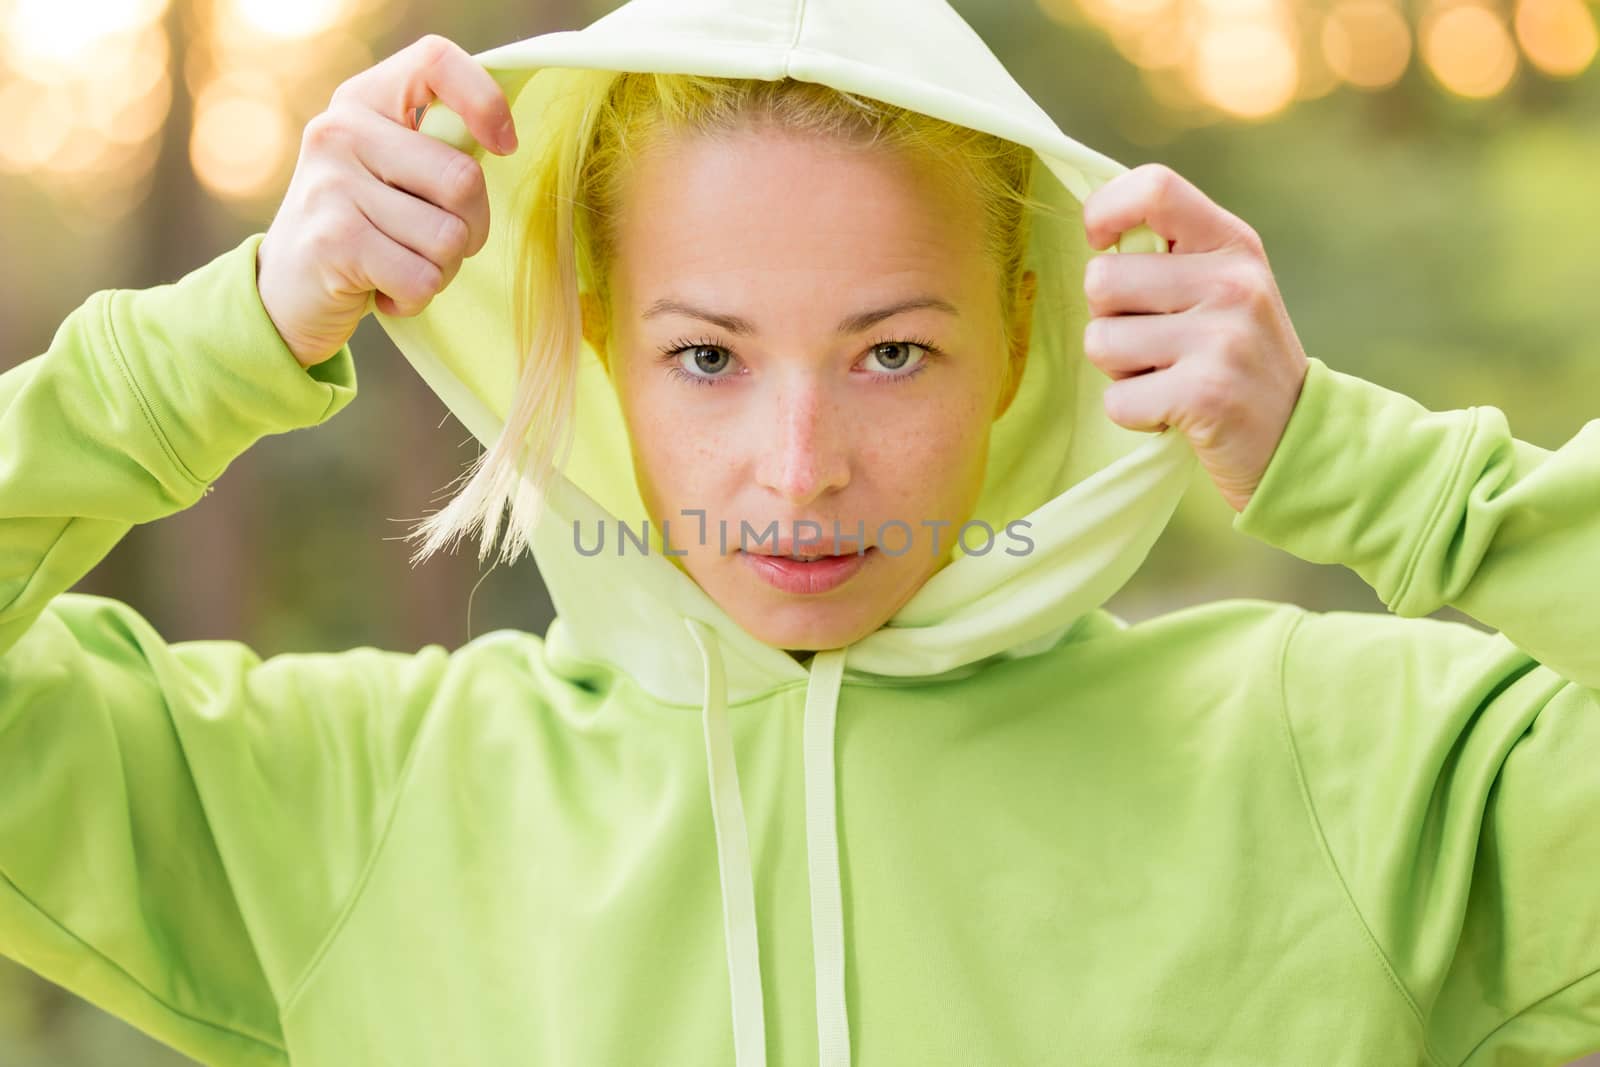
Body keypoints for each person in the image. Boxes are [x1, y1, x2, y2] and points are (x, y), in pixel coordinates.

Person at [2, 0, 1596, 1065]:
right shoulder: (350, 804)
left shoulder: (1346, 772)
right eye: (706, 355)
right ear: (603, 347)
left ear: (1025, 340)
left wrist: (1376, 474)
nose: (799, 469)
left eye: (892, 350)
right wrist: (235, 334)